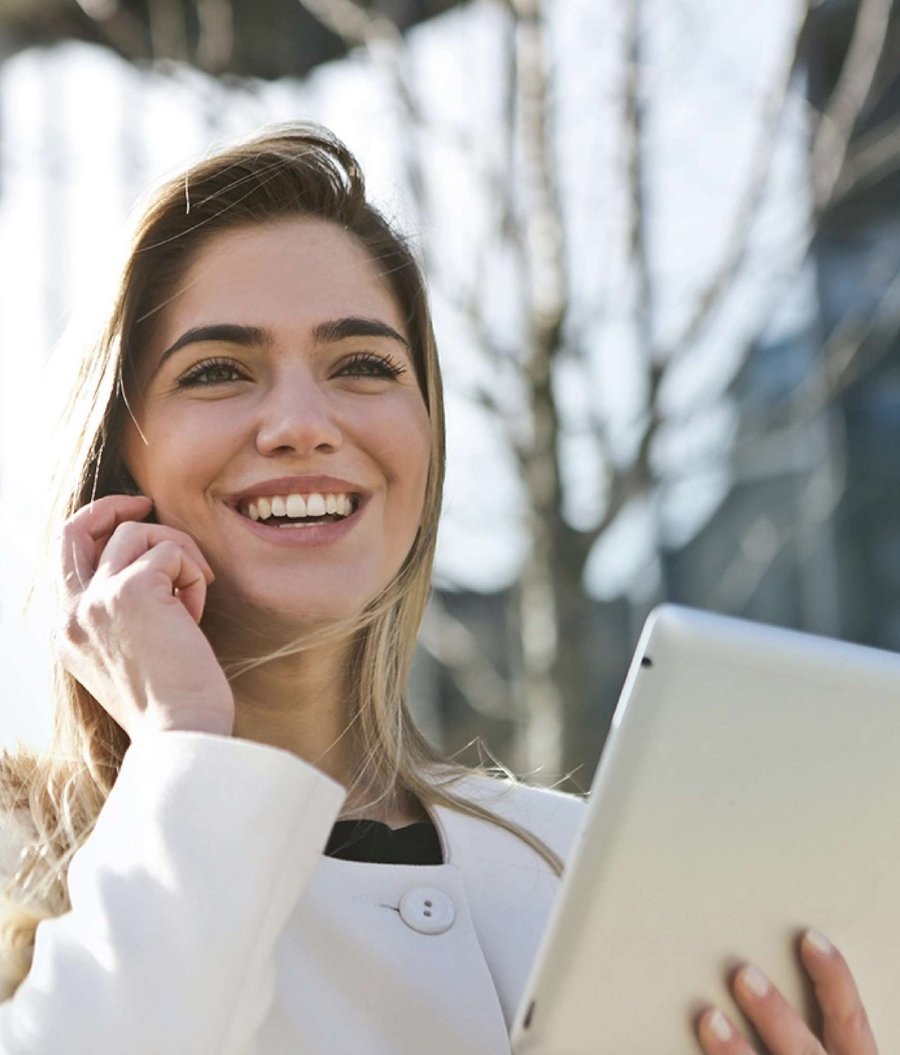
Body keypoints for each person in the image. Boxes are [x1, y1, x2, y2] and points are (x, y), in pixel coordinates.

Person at [0, 123, 879, 1055]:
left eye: (363, 365)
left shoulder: (579, 868)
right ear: (114, 460)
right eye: (217, 370)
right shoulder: (20, 854)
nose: (303, 423)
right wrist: (185, 745)